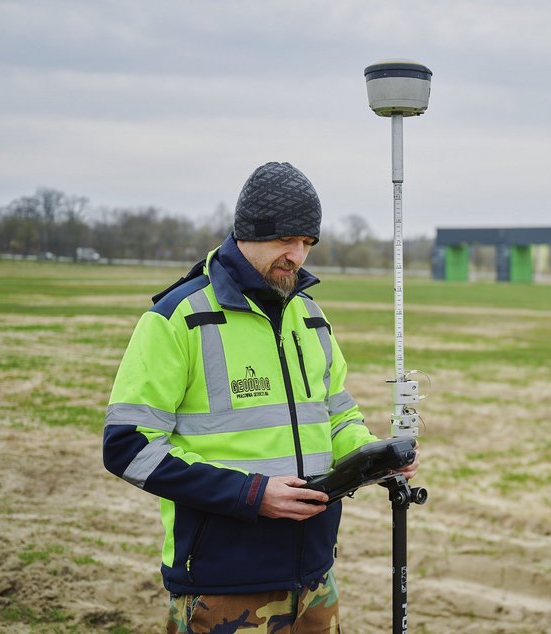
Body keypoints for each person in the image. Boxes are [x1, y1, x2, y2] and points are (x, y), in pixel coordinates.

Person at [102, 162, 419, 633]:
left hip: (315, 578)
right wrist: (250, 495)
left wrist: (374, 456)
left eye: (307, 243)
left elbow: (336, 416)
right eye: (286, 240)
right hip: (223, 584)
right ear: (247, 233)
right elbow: (128, 447)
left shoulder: (310, 316)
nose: (298, 255)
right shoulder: (180, 317)